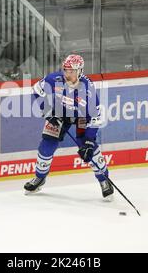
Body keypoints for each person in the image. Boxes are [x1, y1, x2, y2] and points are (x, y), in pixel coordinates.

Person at [23, 54, 114, 201]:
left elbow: (96, 118)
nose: (67, 74)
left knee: (90, 151)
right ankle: (39, 178)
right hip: (59, 114)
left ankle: (104, 180)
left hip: (81, 118)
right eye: (65, 70)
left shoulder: (88, 90)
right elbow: (37, 89)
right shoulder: (54, 79)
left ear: (80, 71)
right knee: (46, 146)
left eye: (71, 71)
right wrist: (46, 110)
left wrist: (89, 141)